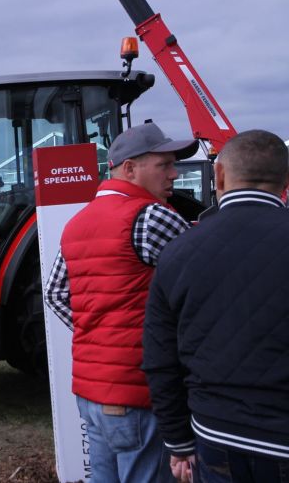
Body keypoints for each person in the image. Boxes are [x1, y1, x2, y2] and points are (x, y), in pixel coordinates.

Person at [43, 122, 198, 483]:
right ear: (130, 168)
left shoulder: (77, 223)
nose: (175, 173)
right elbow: (206, 279)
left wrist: (102, 329)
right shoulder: (151, 216)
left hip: (92, 391)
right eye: (164, 164)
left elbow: (55, 293)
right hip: (138, 388)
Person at [143, 130, 289, 483]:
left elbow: (160, 359)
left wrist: (178, 441)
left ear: (219, 175)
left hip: (216, 434)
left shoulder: (177, 253)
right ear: (286, 181)